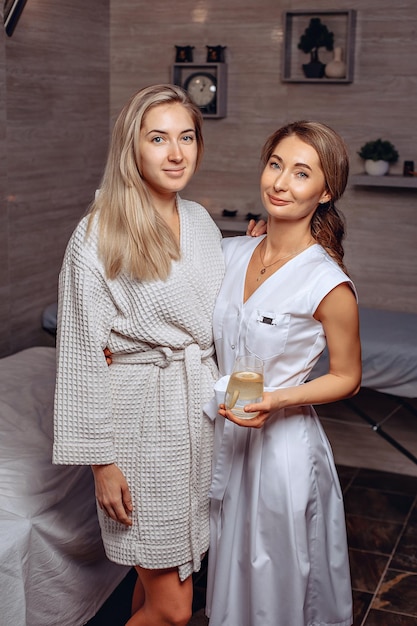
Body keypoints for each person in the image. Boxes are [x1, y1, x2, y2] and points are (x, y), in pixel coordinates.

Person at [53, 84, 227, 626]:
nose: (176, 153)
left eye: (186, 137)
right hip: (142, 426)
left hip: (196, 415)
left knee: (156, 586)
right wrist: (103, 464)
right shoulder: (99, 232)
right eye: (159, 138)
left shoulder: (199, 220)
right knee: (175, 608)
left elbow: (214, 310)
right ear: (133, 147)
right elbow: (82, 353)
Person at [205, 121, 362, 626]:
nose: (281, 183)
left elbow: (347, 377)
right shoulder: (228, 252)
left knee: (278, 583)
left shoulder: (327, 282)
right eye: (275, 165)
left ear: (326, 190)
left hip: (283, 453)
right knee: (229, 573)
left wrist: (275, 399)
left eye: (301, 173)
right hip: (224, 435)